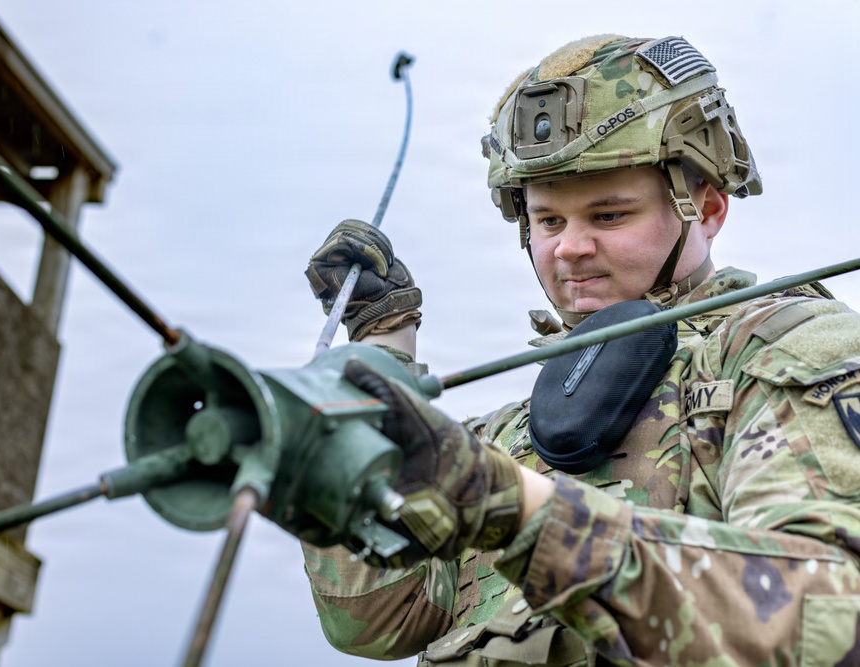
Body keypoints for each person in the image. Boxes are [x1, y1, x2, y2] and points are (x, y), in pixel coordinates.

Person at [302, 35, 860, 666]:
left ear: (705, 208)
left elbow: (831, 616)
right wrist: (383, 350)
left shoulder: (785, 352)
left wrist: (512, 509)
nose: (569, 249)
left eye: (609, 216)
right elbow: (374, 622)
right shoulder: (506, 438)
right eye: (548, 221)